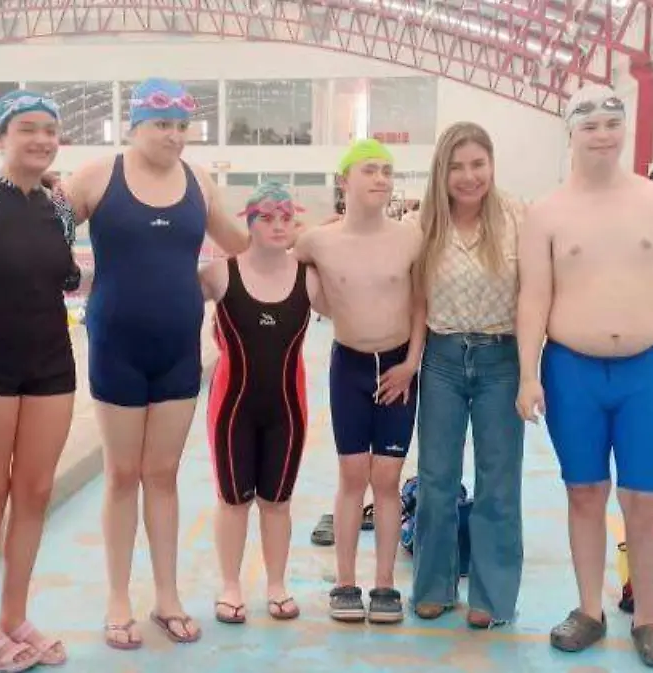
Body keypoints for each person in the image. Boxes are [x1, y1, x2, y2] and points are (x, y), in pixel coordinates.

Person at [515, 84, 653, 669]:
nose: (602, 135)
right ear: (570, 133)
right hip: (571, 371)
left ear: (624, 129)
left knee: (645, 499)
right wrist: (528, 374)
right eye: (590, 125)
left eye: (612, 123)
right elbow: (533, 297)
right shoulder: (546, 212)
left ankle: (647, 617)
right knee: (583, 493)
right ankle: (589, 610)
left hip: (645, 371)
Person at [59, 78, 249, 649]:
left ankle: (167, 596)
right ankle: (118, 598)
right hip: (116, 347)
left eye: (182, 126)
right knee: (122, 475)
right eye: (162, 124)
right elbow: (41, 231)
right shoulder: (97, 176)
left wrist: (301, 238)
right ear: (135, 125)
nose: (173, 136)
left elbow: (241, 242)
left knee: (162, 476)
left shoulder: (199, 182)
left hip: (177, 351)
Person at [0, 91, 80, 669]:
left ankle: (14, 616)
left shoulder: (60, 205)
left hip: (52, 356)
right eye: (27, 128)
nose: (41, 139)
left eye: (49, 130)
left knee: (35, 490)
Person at [294, 139, 425, 625]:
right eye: (370, 170)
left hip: (397, 368)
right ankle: (345, 582)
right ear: (344, 180)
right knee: (352, 476)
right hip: (349, 366)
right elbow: (279, 259)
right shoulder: (319, 241)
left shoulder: (409, 238)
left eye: (387, 171)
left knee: (387, 480)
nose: (381, 179)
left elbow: (420, 304)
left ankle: (386, 584)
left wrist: (411, 364)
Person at [409, 122, 526, 629]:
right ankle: (434, 585)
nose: (468, 176)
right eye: (456, 166)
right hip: (442, 358)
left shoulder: (518, 218)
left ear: (492, 165)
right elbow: (416, 300)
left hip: (502, 360)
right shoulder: (423, 224)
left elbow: (534, 295)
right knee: (436, 479)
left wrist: (531, 372)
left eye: (478, 164)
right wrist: (413, 360)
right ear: (442, 171)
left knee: (498, 480)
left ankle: (491, 596)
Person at [200, 182, 324, 625]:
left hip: (287, 410)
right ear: (249, 223)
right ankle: (230, 585)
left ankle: (276, 584)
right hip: (232, 409)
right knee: (233, 501)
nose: (277, 225)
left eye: (286, 218)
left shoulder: (310, 279)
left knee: (277, 502)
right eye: (267, 217)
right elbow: (167, 299)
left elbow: (360, 310)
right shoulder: (220, 275)